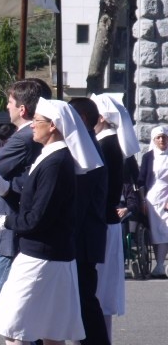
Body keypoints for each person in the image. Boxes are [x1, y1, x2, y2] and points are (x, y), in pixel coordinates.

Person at [0, 98, 103, 344]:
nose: (32, 126)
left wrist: (2, 222)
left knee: (14, 330)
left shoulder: (56, 162)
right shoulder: (52, 158)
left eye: (37, 121)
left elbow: (38, 217)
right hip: (51, 255)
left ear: (53, 126)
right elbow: (36, 202)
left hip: (41, 257)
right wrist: (3, 186)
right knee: (51, 332)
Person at [0, 79, 51, 322]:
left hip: (12, 227)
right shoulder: (28, 136)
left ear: (22, 109)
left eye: (10, 102)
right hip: (14, 223)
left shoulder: (24, 138)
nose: (7, 107)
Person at [90, 93, 139, 338]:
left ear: (100, 117)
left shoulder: (105, 143)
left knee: (99, 292)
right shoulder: (108, 142)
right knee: (101, 292)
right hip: (107, 222)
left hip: (103, 222)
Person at [68, 97, 110, 345]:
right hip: (85, 237)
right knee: (82, 302)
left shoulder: (88, 149)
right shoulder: (87, 145)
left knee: (85, 301)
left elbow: (80, 201)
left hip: (83, 239)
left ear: (82, 119)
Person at [138, 125, 168, 277]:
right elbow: (142, 179)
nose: (162, 140)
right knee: (156, 232)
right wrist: (142, 200)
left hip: (166, 197)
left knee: (164, 231)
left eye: (164, 137)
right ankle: (159, 264)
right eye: (159, 137)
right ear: (154, 140)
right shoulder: (148, 157)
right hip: (152, 198)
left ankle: (161, 264)